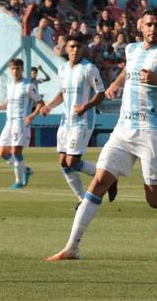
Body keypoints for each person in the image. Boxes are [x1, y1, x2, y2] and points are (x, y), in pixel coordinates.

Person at [47, 11, 157, 261]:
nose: (153, 28)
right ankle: (72, 246)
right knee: (99, 181)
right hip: (123, 129)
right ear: (140, 27)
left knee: (154, 199)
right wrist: (115, 84)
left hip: (153, 132)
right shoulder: (132, 49)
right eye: (148, 24)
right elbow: (128, 69)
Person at [38, 33, 107, 203]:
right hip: (66, 121)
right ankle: (82, 199)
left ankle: (108, 177)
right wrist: (49, 106)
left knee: (72, 161)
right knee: (63, 162)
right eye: (72, 47)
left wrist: (85, 107)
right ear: (66, 49)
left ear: (83, 48)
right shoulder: (62, 69)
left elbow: (101, 93)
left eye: (78, 47)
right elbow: (62, 93)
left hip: (83, 121)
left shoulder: (89, 69)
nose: (75, 50)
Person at [0, 59, 44, 188]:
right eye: (13, 69)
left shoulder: (28, 85)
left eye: (18, 68)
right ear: (10, 70)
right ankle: (26, 170)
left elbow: (40, 103)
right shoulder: (10, 85)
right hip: (9, 122)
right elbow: (8, 104)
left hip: (20, 122)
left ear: (22, 69)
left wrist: (32, 116)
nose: (15, 71)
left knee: (16, 152)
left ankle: (19, 181)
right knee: (2, 152)